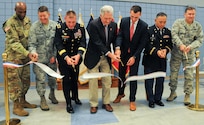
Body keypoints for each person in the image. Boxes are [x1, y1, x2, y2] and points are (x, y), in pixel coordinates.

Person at [3, 1, 37, 116]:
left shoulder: (27, 21)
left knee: (25, 81)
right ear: (15, 10)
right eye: (20, 11)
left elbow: (31, 38)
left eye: (24, 11)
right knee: (15, 84)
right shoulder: (10, 23)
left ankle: (23, 101)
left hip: (25, 58)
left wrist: (32, 52)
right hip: (14, 58)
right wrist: (27, 53)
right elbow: (14, 43)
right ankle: (16, 107)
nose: (22, 14)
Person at [84, 5, 119, 114]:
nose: (108, 21)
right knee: (93, 82)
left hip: (106, 59)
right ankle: (93, 104)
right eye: (106, 18)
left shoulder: (113, 25)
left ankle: (106, 102)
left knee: (107, 81)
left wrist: (117, 49)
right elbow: (97, 42)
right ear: (101, 15)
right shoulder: (93, 24)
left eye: (110, 18)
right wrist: (111, 55)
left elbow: (115, 39)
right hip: (93, 56)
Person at [166, 6, 204, 105]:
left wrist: (191, 46)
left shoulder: (197, 26)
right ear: (185, 14)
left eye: (193, 14)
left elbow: (200, 39)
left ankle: (187, 95)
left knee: (189, 76)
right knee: (173, 75)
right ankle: (172, 92)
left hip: (189, 55)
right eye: (189, 14)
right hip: (177, 54)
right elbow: (173, 35)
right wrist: (180, 45)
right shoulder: (178, 23)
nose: (191, 16)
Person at [113, 5, 148, 111]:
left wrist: (134, 57)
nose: (133, 19)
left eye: (136, 17)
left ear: (140, 15)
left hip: (135, 55)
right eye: (132, 16)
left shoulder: (143, 26)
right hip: (123, 54)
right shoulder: (124, 21)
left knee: (133, 77)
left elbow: (142, 44)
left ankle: (132, 99)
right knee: (121, 76)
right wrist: (118, 48)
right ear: (130, 13)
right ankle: (120, 93)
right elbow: (120, 36)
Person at [54, 10, 86, 113]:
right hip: (64, 60)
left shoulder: (80, 27)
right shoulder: (60, 28)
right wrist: (66, 57)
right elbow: (58, 44)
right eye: (69, 22)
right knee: (66, 80)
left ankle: (75, 97)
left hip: (76, 59)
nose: (71, 25)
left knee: (75, 79)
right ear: (65, 19)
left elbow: (83, 42)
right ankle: (68, 103)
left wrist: (79, 55)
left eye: (73, 22)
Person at [28, 6, 58, 111]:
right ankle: (42, 99)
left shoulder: (55, 26)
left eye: (44, 16)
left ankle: (52, 94)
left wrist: (54, 55)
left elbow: (57, 43)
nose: (42, 18)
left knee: (52, 78)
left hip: (51, 59)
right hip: (39, 59)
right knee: (40, 80)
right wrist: (33, 52)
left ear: (48, 14)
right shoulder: (34, 27)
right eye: (40, 16)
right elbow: (31, 44)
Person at [142, 12, 172, 108]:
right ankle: (151, 100)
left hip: (161, 61)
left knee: (160, 81)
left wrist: (165, 50)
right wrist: (156, 52)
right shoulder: (148, 31)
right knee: (149, 82)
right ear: (155, 20)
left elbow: (170, 44)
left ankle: (158, 99)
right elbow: (146, 45)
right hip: (150, 60)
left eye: (164, 22)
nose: (162, 24)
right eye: (160, 22)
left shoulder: (167, 31)